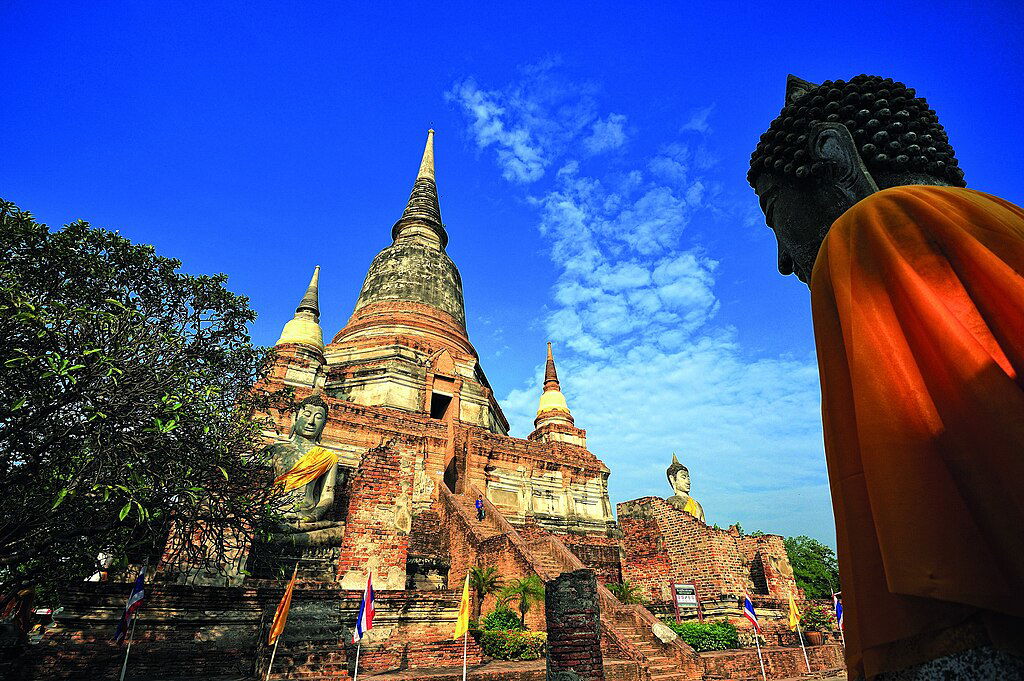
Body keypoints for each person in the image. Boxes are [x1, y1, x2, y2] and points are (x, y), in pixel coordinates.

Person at [749, 74, 1024, 679]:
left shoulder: (867, 232)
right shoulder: (1004, 219)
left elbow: (934, 517)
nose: (785, 259)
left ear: (836, 159)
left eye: (774, 216)